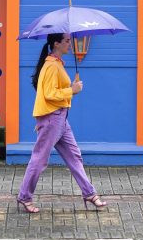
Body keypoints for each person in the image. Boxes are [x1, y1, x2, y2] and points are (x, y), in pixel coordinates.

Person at [16, 32, 107, 213]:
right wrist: (71, 91)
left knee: (74, 156)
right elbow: (49, 94)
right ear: (56, 43)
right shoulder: (51, 66)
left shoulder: (56, 64)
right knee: (39, 159)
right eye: (66, 41)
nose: (70, 44)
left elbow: (54, 90)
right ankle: (24, 197)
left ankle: (89, 193)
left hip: (60, 118)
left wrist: (70, 87)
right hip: (52, 118)